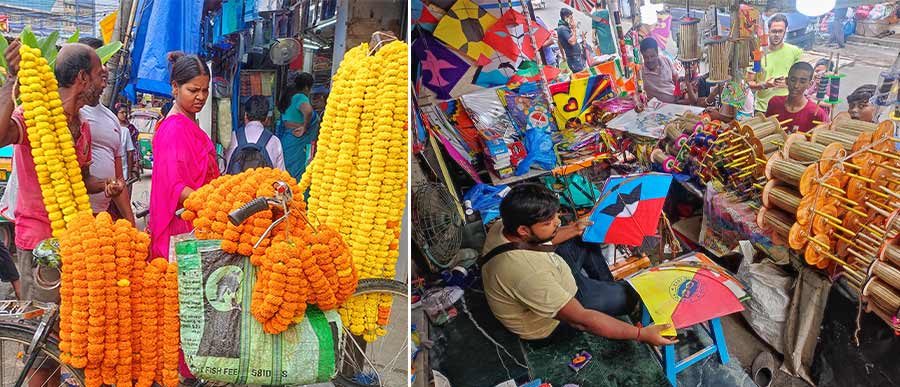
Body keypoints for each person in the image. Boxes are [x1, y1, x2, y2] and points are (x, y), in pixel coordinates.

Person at [0, 41, 122, 386]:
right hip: (41, 246)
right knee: (40, 344)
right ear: (83, 78)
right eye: (100, 75)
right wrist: (11, 82)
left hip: (75, 242)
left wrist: (107, 185)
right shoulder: (34, 115)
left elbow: (82, 181)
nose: (104, 81)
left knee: (62, 342)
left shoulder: (81, 125)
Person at [481, 184, 677, 346]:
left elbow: (542, 240)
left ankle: (606, 286)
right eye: (549, 222)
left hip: (554, 274)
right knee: (633, 293)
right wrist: (641, 335)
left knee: (584, 236)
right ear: (523, 230)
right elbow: (581, 320)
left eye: (556, 215)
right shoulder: (528, 274)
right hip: (549, 324)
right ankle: (623, 303)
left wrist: (575, 228)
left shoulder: (504, 226)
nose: (558, 222)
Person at [149, 51, 218, 261]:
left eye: (205, 90)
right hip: (182, 223)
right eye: (193, 90)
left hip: (198, 218)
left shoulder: (187, 123)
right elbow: (174, 187)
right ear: (175, 88)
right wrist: (216, 202)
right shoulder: (174, 128)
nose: (201, 97)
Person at [78, 37, 135, 224]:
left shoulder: (111, 118)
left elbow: (118, 179)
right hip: (71, 215)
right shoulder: (67, 113)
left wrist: (130, 223)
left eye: (104, 62)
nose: (104, 70)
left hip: (102, 216)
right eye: (97, 64)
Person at [749, 14, 803, 114]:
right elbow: (750, 82)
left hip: (788, 107)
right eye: (774, 31)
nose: (777, 35)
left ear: (785, 31)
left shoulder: (795, 52)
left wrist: (788, 83)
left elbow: (802, 80)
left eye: (780, 31)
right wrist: (765, 85)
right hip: (763, 109)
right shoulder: (758, 54)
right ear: (768, 31)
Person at [225, 95, 285, 171]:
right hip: (264, 182)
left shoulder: (232, 137)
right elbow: (280, 176)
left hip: (236, 182)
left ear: (245, 115)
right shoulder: (274, 141)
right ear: (266, 119)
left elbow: (224, 169)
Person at [765, 62, 829, 133]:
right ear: (786, 81)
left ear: (810, 84)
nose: (796, 85)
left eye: (802, 82)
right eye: (793, 80)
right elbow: (767, 130)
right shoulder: (775, 102)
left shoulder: (816, 113)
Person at [277, 72, 317, 180]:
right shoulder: (300, 97)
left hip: (288, 140)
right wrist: (305, 126)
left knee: (287, 172)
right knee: (298, 175)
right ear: (306, 87)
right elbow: (308, 111)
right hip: (298, 142)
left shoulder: (289, 96)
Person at [636, 37, 696, 106]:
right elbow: (637, 92)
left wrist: (681, 97)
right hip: (657, 108)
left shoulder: (666, 60)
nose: (649, 60)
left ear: (657, 53)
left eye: (652, 56)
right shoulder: (641, 72)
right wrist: (637, 102)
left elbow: (676, 80)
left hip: (676, 103)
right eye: (646, 57)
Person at [114, 102, 141, 181]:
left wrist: (135, 164)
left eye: (126, 112)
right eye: (122, 112)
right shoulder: (112, 128)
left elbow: (134, 148)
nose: (125, 114)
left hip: (129, 161)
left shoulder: (130, 129)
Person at [558, 8, 587, 73]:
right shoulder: (562, 29)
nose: (572, 20)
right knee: (581, 76)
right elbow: (572, 42)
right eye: (571, 18)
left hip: (576, 57)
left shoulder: (565, 27)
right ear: (565, 17)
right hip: (574, 58)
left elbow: (559, 42)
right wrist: (574, 29)